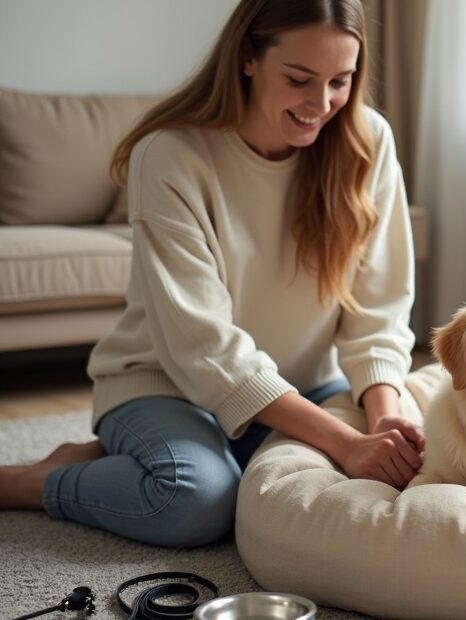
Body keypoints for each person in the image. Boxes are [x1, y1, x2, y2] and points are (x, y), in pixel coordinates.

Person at [0, 0, 424, 547]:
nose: (321, 105)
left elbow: (379, 310)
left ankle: (144, 456)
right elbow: (204, 347)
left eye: (340, 81)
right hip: (169, 386)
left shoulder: (368, 142)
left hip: (309, 385)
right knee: (197, 501)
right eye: (299, 79)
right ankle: (30, 482)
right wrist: (345, 443)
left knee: (378, 473)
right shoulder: (170, 155)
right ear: (248, 57)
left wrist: (383, 419)